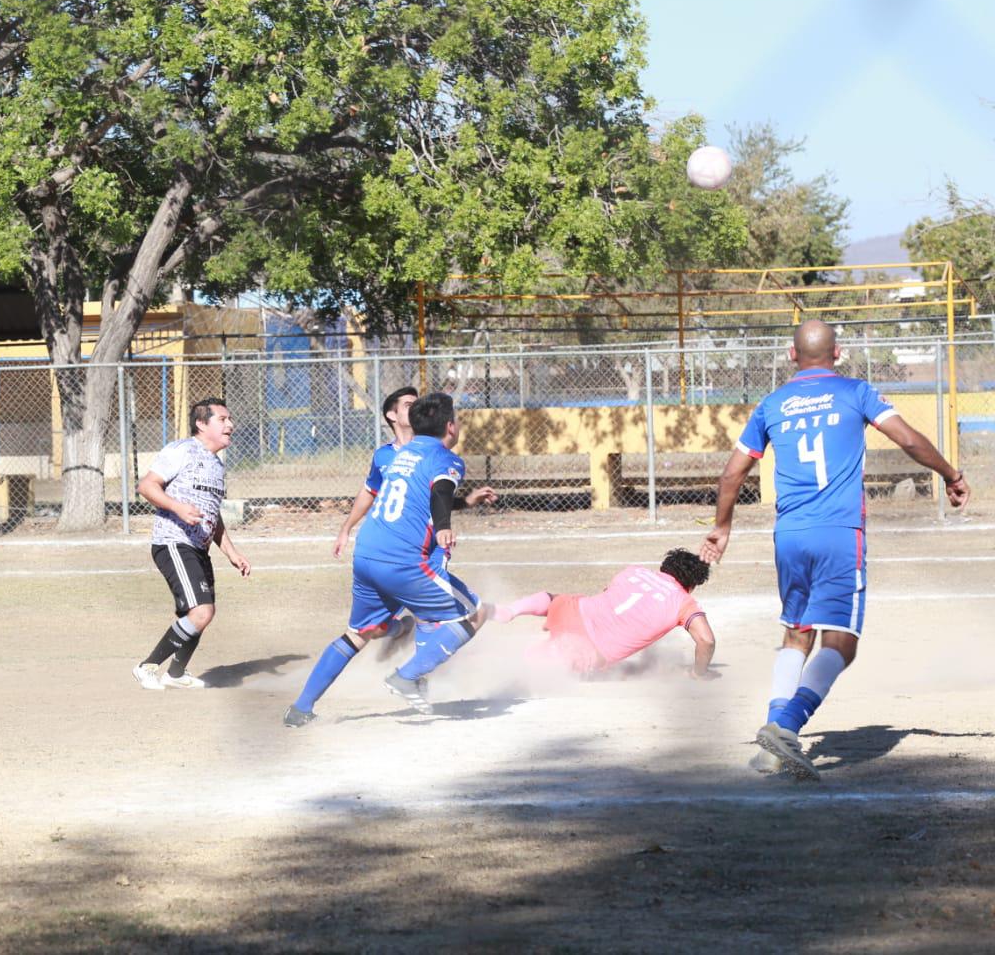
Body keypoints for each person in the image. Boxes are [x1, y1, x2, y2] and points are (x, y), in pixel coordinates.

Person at [701, 319, 970, 780]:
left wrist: (721, 527)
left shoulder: (771, 404)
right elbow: (906, 438)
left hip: (790, 534)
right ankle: (785, 725)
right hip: (839, 533)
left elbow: (731, 475)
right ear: (838, 353)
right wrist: (951, 474)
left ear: (791, 355)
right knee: (842, 642)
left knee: (796, 633)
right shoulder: (855, 391)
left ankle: (771, 742)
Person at [285, 392, 495, 725]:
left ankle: (300, 708)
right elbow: (440, 491)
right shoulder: (446, 458)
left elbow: (423, 496)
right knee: (478, 613)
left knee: (358, 633)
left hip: (367, 555)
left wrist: (463, 504)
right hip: (404, 560)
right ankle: (407, 677)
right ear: (451, 428)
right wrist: (443, 527)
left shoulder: (399, 455)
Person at [131, 398, 251, 690]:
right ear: (202, 424)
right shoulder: (181, 450)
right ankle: (147, 667)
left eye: (229, 419)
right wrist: (177, 507)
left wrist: (231, 552)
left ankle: (176, 674)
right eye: (222, 419)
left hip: (199, 548)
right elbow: (146, 486)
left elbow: (213, 513)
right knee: (201, 612)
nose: (230, 425)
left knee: (198, 614)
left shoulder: (216, 465)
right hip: (174, 541)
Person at [491, 549, 717, 677]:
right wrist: (699, 672)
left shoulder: (634, 571)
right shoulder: (684, 602)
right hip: (590, 647)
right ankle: (503, 667)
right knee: (530, 667)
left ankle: (512, 610)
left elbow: (610, 596)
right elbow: (706, 640)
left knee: (552, 600)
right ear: (693, 584)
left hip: (573, 609)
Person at [332, 386, 418, 559]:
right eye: (409, 405)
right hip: (391, 544)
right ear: (392, 415)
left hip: (422, 541)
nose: (417, 409)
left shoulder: (429, 449)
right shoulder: (383, 456)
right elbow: (369, 492)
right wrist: (346, 528)